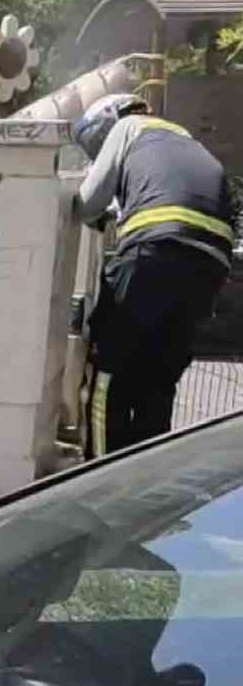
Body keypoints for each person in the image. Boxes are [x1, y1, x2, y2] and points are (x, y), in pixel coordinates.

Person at [73, 93, 234, 458]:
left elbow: (87, 203)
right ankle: (144, 485)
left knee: (106, 376)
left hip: (155, 249)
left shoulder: (128, 127)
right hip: (209, 264)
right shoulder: (184, 139)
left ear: (106, 122)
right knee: (157, 381)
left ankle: (98, 477)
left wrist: (99, 210)